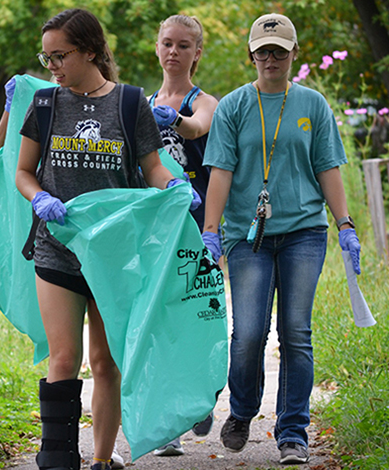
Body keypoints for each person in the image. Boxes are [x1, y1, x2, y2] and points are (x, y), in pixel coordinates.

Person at [14, 9, 201, 470]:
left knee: (104, 361)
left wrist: (174, 186)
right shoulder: (45, 104)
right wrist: (39, 197)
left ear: (90, 52)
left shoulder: (130, 103)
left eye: (60, 55)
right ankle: (57, 457)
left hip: (115, 255)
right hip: (57, 247)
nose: (52, 65)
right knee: (63, 358)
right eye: (46, 57)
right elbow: (22, 171)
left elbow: (152, 167)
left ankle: (101, 459)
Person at [201, 13, 362, 465]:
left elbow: (327, 167)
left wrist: (345, 224)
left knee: (296, 332)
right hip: (247, 236)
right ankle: (242, 412)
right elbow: (221, 172)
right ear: (251, 55)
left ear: (294, 54)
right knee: (249, 332)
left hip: (304, 232)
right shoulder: (234, 106)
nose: (270, 58)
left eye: (279, 51)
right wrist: (210, 231)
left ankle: (293, 432)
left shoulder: (313, 104)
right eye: (262, 51)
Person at [146, 14, 219, 457]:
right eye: (167, 43)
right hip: (157, 232)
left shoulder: (204, 101)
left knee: (196, 318)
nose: (174, 51)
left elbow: (196, 127)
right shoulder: (140, 102)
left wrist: (173, 119)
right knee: (161, 322)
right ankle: (168, 421)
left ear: (197, 53)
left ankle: (202, 394)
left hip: (198, 228)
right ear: (157, 47)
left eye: (184, 45)